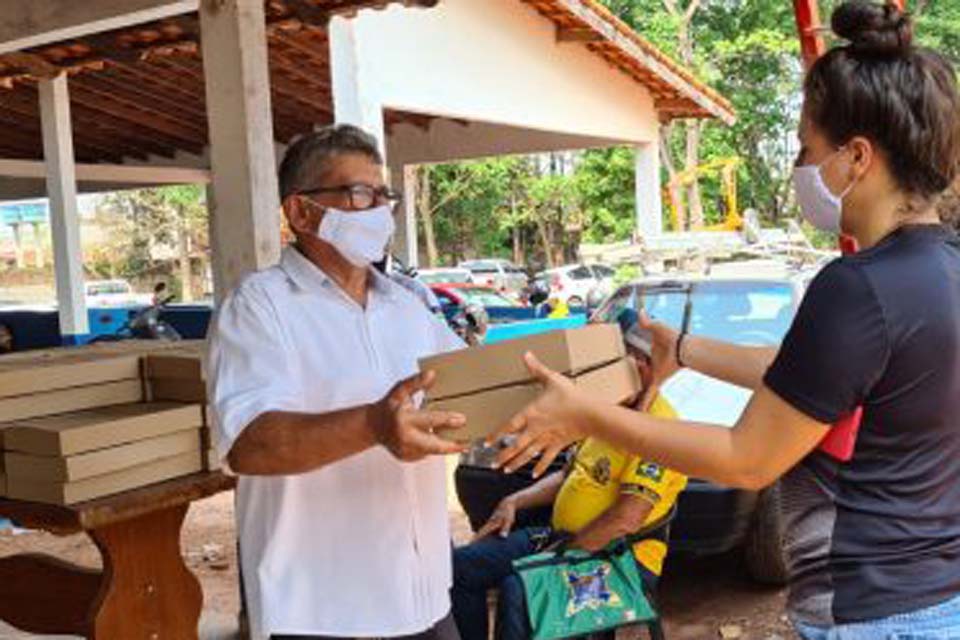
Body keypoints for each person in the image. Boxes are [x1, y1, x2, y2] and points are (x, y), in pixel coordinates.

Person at [490, 3, 960, 638]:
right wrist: (683, 349)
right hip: (936, 596)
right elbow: (815, 378)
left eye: (806, 146)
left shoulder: (857, 287)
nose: (799, 165)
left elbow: (747, 460)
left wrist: (589, 414)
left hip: (873, 612)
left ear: (856, 158)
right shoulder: (940, 268)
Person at [206, 124, 467, 640]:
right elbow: (251, 445)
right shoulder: (260, 307)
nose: (378, 212)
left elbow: (470, 386)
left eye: (383, 196)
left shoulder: (406, 305)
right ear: (301, 212)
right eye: (358, 194)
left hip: (424, 595)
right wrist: (373, 424)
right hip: (323, 609)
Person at [451, 341, 686, 640]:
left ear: (642, 366)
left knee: (519, 590)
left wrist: (560, 553)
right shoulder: (608, 414)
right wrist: (514, 500)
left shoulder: (659, 428)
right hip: (562, 539)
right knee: (461, 567)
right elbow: (569, 474)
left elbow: (626, 518)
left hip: (620, 560)